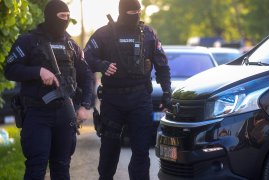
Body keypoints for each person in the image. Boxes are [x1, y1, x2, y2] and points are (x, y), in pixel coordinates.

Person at [4, 0, 93, 179]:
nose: (65, 20)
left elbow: (87, 75)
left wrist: (84, 106)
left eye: (68, 17)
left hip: (65, 113)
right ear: (50, 16)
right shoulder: (28, 41)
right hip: (37, 113)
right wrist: (38, 71)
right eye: (61, 16)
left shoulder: (71, 45)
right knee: (36, 167)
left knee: (62, 167)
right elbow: (10, 69)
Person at [84, 0, 172, 179]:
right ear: (122, 12)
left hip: (140, 99)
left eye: (139, 11)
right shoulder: (104, 33)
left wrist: (167, 93)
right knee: (109, 149)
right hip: (112, 101)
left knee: (141, 152)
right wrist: (102, 64)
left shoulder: (148, 34)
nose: (136, 15)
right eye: (132, 12)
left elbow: (162, 66)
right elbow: (86, 56)